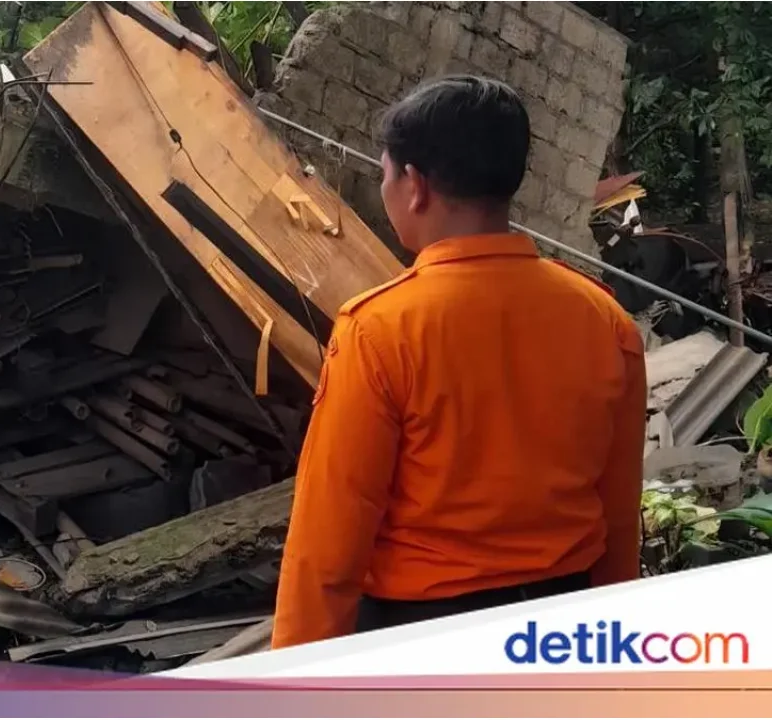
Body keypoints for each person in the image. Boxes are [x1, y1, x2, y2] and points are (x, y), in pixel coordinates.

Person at [271, 76, 646, 650]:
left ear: (415, 185)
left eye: (385, 174)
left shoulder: (379, 330)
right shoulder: (605, 320)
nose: (385, 189)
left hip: (421, 641)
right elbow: (619, 516)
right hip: (564, 627)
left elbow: (328, 545)